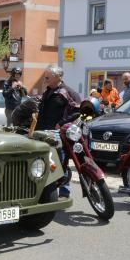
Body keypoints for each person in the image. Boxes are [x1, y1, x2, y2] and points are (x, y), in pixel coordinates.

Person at [35, 66, 81, 198]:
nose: (45, 79)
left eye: (48, 77)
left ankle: (64, 191)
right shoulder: (48, 91)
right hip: (43, 131)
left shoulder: (67, 91)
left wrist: (60, 124)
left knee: (60, 161)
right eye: (45, 76)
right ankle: (47, 191)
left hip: (57, 133)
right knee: (47, 161)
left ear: (58, 77)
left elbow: (78, 110)